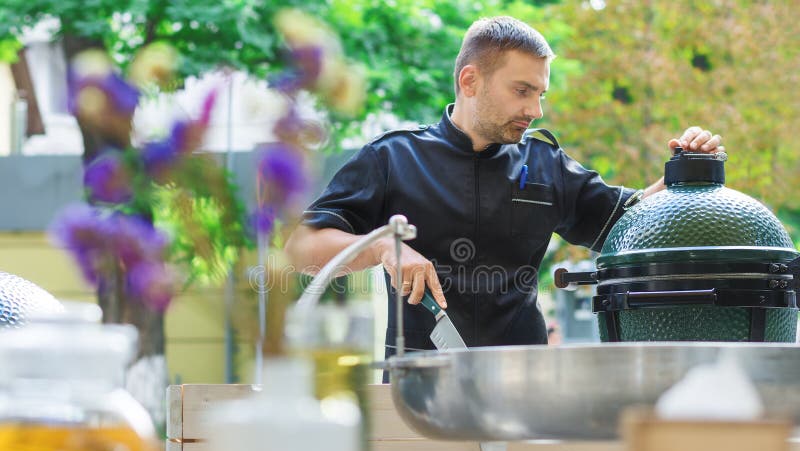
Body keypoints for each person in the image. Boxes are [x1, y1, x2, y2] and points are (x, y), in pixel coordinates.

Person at [285, 16, 724, 363]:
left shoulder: (546, 163)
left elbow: (631, 224)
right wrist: (383, 249)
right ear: (470, 80)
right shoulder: (392, 158)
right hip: (419, 388)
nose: (534, 109)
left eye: (540, 94)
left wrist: (680, 176)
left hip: (522, 388)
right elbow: (302, 248)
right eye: (522, 91)